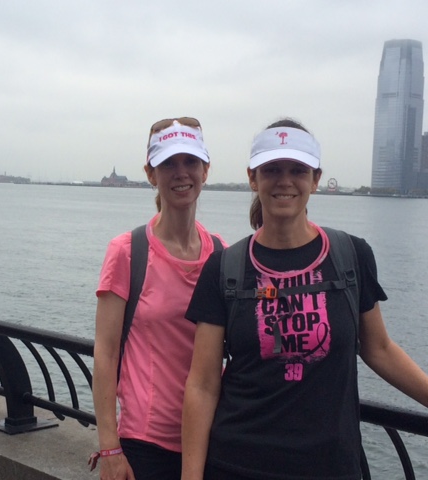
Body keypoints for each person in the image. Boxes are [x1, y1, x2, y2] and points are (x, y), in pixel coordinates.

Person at [181, 118, 428, 480]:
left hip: (331, 467)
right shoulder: (225, 268)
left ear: (315, 179)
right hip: (237, 463)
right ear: (253, 178)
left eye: (298, 170)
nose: (285, 181)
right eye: (272, 169)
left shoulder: (351, 256)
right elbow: (202, 384)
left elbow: (379, 349)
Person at [92, 117, 226, 480]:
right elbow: (106, 353)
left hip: (211, 438)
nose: (181, 173)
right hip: (145, 445)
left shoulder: (222, 256)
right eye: (168, 163)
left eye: (190, 161)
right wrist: (109, 447)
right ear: (151, 174)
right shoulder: (127, 251)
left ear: (205, 170)